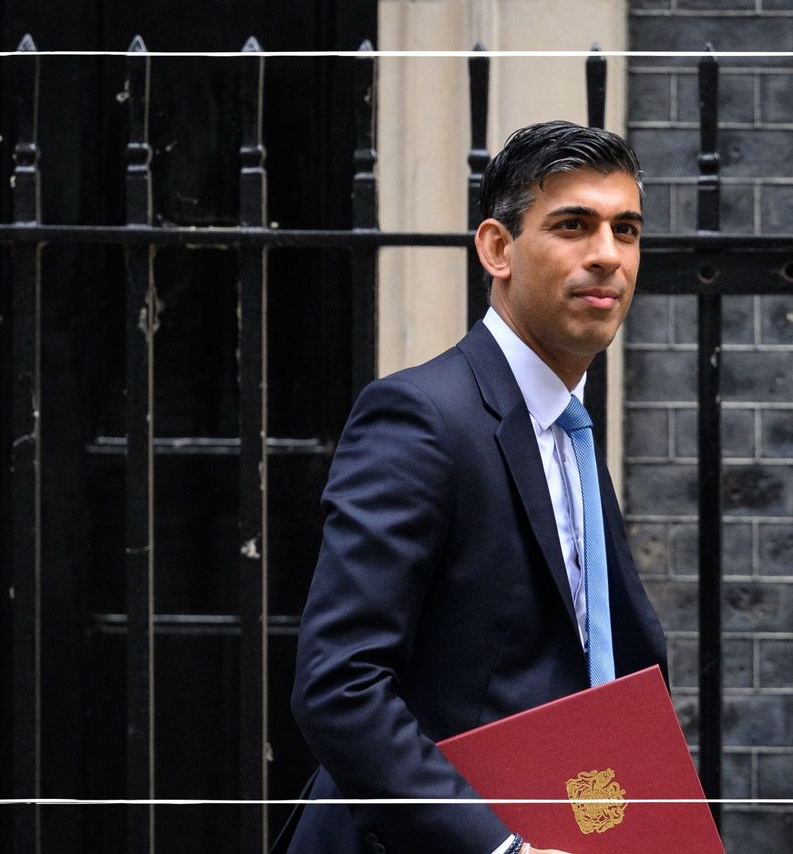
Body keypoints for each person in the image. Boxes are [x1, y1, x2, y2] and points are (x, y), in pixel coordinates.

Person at [283, 121, 668, 854]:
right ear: (497, 248)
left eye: (627, 230)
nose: (607, 256)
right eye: (573, 226)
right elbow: (340, 685)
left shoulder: (568, 433)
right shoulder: (421, 417)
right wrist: (499, 849)